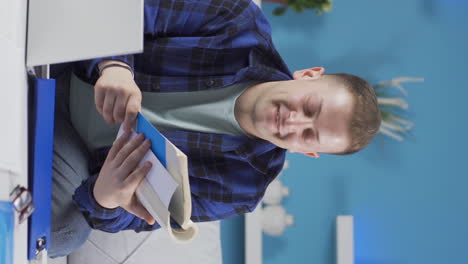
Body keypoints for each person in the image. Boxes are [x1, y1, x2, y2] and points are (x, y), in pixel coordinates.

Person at [49, 0, 381, 257]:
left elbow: (134, 217)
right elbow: (133, 9)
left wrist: (106, 198)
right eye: (310, 107)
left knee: (65, 234)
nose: (294, 121)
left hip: (72, 152)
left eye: (309, 134)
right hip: (70, 62)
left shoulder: (242, 190)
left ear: (306, 151)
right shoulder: (236, 20)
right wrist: (115, 65)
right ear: (308, 75)